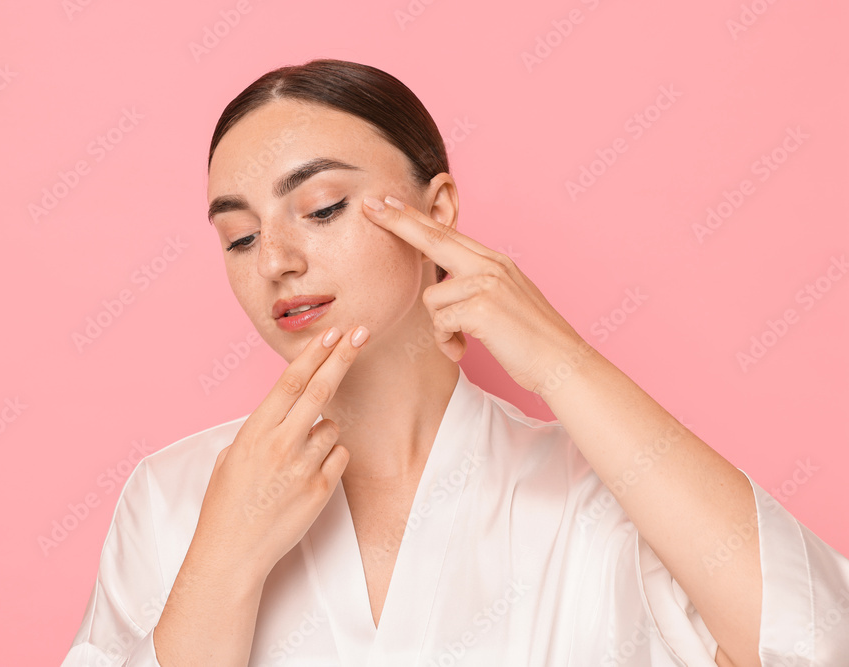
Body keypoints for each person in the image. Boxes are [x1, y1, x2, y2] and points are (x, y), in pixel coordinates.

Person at [60, 59, 849, 667]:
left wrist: (563, 361)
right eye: (239, 236)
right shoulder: (172, 497)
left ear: (436, 210)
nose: (275, 260)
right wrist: (223, 560)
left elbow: (817, 642)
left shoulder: (598, 493)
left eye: (322, 207)